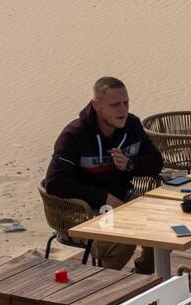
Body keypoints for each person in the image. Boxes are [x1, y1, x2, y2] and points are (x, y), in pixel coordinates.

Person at [44, 76, 162, 272]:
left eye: (126, 102)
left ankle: (143, 275)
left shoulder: (132, 125)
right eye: (115, 104)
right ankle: (106, 287)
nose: (123, 110)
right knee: (123, 240)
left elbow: (156, 163)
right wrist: (104, 198)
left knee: (162, 226)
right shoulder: (74, 135)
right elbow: (55, 182)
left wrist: (130, 164)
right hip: (83, 212)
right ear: (97, 106)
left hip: (123, 203)